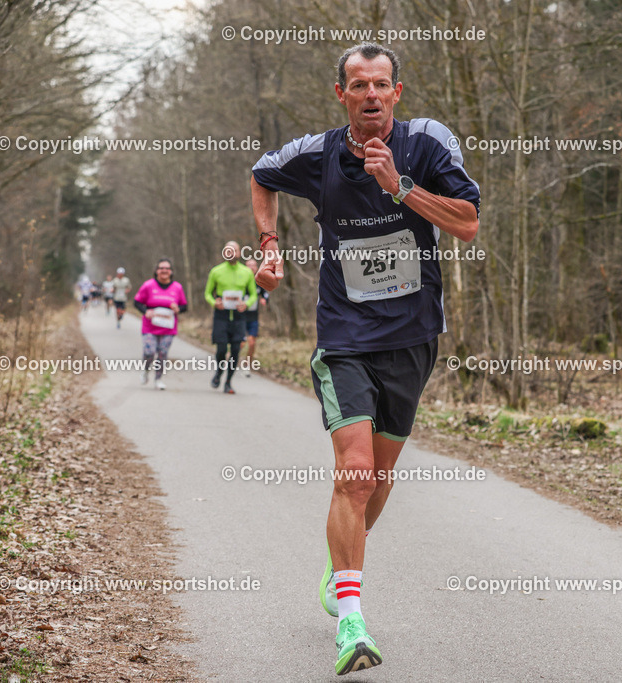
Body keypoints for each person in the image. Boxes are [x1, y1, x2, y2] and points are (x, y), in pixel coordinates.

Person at [250, 42, 479, 675]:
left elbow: (467, 223)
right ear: (342, 94)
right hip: (345, 334)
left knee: (377, 479)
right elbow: (262, 174)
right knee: (353, 470)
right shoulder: (317, 153)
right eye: (359, 85)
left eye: (382, 84)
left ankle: (339, 562)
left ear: (397, 93)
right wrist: (269, 246)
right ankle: (352, 617)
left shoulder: (428, 142)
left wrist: (399, 187)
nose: (371, 94)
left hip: (411, 336)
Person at [204, 241, 256, 394]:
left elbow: (253, 294)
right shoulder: (216, 271)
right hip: (221, 315)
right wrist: (214, 303)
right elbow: (207, 293)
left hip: (239, 316)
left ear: (239, 253)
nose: (231, 252)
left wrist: (246, 304)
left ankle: (228, 382)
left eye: (234, 250)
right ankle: (219, 373)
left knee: (235, 350)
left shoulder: (247, 272)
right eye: (228, 250)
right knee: (221, 349)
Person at [133, 259, 188, 390]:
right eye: (161, 268)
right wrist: (145, 311)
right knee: (149, 352)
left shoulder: (177, 287)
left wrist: (178, 309)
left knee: (163, 354)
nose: (164, 271)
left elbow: (185, 306)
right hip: (150, 327)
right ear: (156, 271)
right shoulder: (148, 285)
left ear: (171, 272)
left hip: (168, 328)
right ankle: (145, 370)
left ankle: (158, 379)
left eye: (167, 268)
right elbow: (137, 302)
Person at [242, 258, 269, 377]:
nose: (252, 268)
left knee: (252, 343)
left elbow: (265, 293)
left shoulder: (259, 281)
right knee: (241, 343)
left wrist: (264, 299)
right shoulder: (241, 280)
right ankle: (230, 361)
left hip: (253, 317)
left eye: (254, 265)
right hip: (240, 317)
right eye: (249, 265)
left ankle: (247, 366)